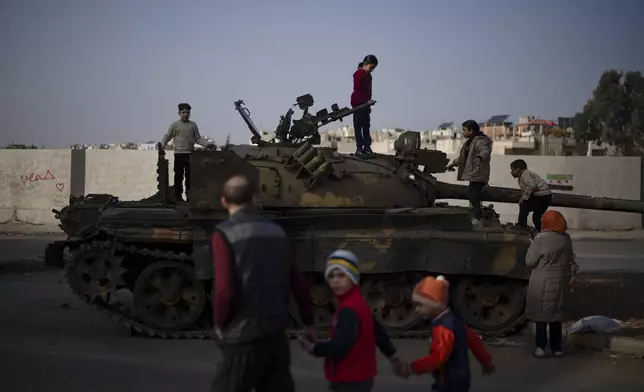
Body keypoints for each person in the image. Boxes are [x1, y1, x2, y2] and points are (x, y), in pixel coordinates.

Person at [209, 175, 316, 392]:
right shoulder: (276, 231)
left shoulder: (224, 233)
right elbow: (299, 284)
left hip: (243, 337)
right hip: (276, 333)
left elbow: (224, 292)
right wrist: (309, 323)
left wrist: (220, 324)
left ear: (223, 201)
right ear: (254, 199)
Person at [298, 250, 407, 392]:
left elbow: (340, 347)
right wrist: (393, 357)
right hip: (362, 378)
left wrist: (312, 348)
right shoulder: (359, 302)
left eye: (341, 275)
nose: (335, 280)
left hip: (348, 380)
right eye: (331, 276)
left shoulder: (348, 310)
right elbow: (378, 332)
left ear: (352, 277)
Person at [402, 275, 495, 392]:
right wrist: (486, 362)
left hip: (449, 381)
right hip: (461, 378)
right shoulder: (455, 320)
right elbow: (474, 341)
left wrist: (413, 368)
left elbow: (438, 358)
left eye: (420, 305)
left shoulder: (443, 327)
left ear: (434, 304)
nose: (417, 310)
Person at [525, 210, 579, 358]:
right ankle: (557, 348)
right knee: (556, 316)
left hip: (542, 282)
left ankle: (540, 348)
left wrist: (532, 243)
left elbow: (529, 261)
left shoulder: (540, 238)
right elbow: (569, 259)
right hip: (560, 282)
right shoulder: (566, 238)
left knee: (541, 317)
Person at [160, 102, 215, 202]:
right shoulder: (175, 125)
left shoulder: (193, 125)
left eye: (187, 112)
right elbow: (168, 136)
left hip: (190, 155)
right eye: (183, 112)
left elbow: (198, 138)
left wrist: (207, 144)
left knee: (190, 178)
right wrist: (162, 144)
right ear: (179, 113)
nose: (185, 114)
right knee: (179, 177)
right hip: (179, 154)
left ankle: (190, 197)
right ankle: (178, 197)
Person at [445, 120, 493, 229]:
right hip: (473, 174)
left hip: (478, 173)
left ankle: (478, 218)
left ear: (471, 131)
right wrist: (452, 164)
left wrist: (481, 157)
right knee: (473, 195)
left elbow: (485, 151)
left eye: (464, 130)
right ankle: (477, 216)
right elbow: (464, 158)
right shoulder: (470, 142)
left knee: (473, 195)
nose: (462, 132)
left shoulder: (480, 141)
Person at [510, 159, 552, 232]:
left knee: (523, 204)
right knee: (536, 217)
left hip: (541, 196)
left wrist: (523, 198)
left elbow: (532, 185)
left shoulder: (524, 174)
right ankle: (541, 231)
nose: (511, 172)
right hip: (547, 196)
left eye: (512, 169)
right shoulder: (526, 174)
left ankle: (521, 225)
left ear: (518, 169)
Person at [351, 54, 378, 157]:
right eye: (371, 67)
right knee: (358, 126)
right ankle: (359, 148)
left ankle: (367, 147)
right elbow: (357, 90)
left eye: (373, 68)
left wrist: (368, 104)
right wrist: (365, 102)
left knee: (366, 126)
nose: (372, 70)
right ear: (365, 64)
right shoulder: (358, 74)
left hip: (366, 104)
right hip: (358, 104)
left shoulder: (369, 76)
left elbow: (368, 91)